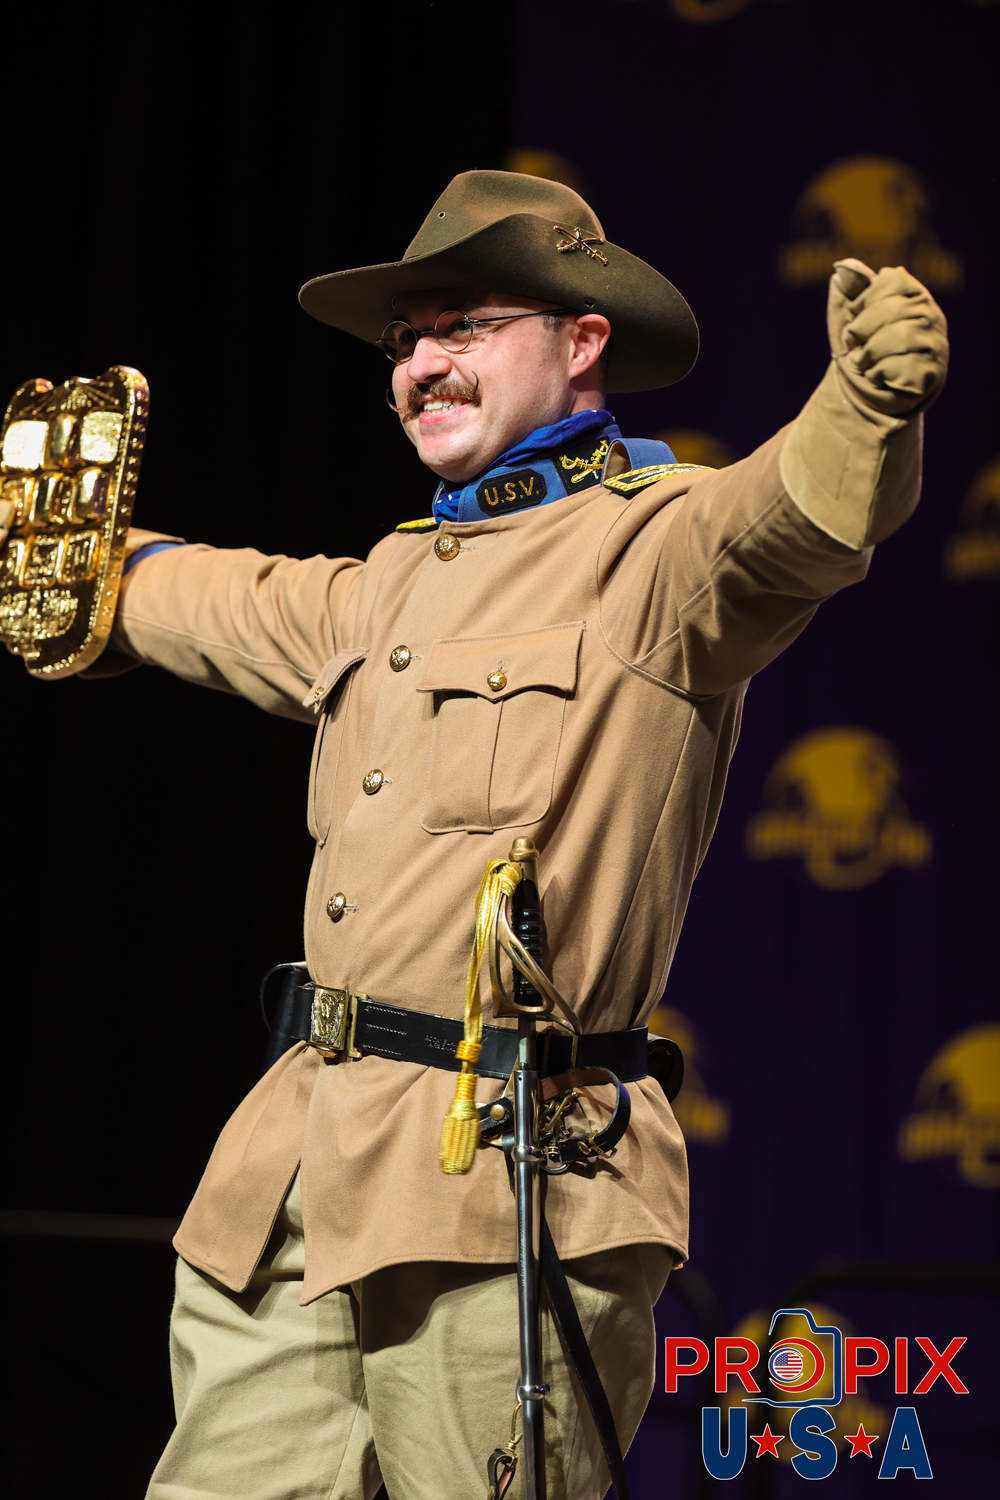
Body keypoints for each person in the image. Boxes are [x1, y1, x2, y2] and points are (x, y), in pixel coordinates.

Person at [94, 170, 947, 1500]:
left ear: (583, 339)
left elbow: (789, 523)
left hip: (505, 1181)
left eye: (464, 327)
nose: (424, 365)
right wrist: (83, 564)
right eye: (406, 342)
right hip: (295, 1176)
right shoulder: (384, 583)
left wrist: (865, 410)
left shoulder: (656, 554)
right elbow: (213, 597)